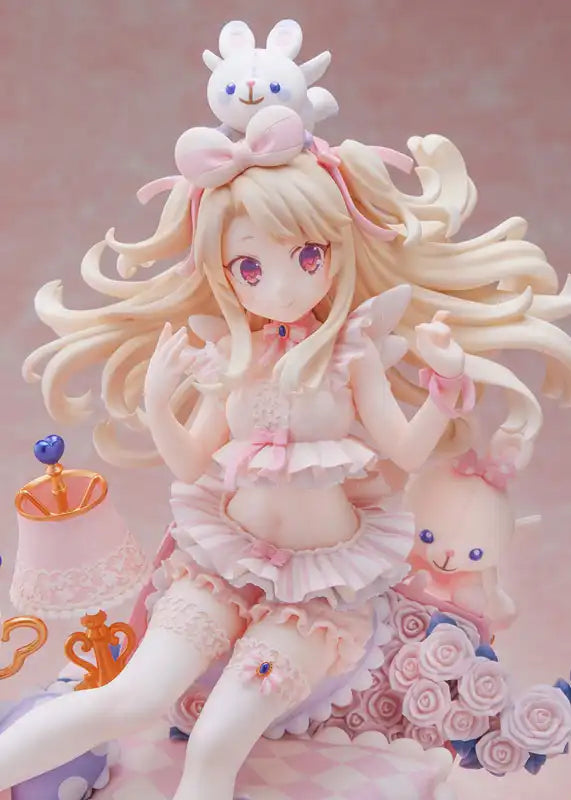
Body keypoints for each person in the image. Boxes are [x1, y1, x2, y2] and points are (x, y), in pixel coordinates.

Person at [1, 105, 570, 800]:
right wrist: (157, 397)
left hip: (316, 594)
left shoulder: (352, 352)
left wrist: (442, 388)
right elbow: (190, 463)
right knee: (128, 699)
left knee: (217, 744)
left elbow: (401, 447)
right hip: (219, 569)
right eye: (249, 267)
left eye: (306, 256)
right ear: (225, 274)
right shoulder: (231, 355)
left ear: (336, 250)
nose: (281, 286)